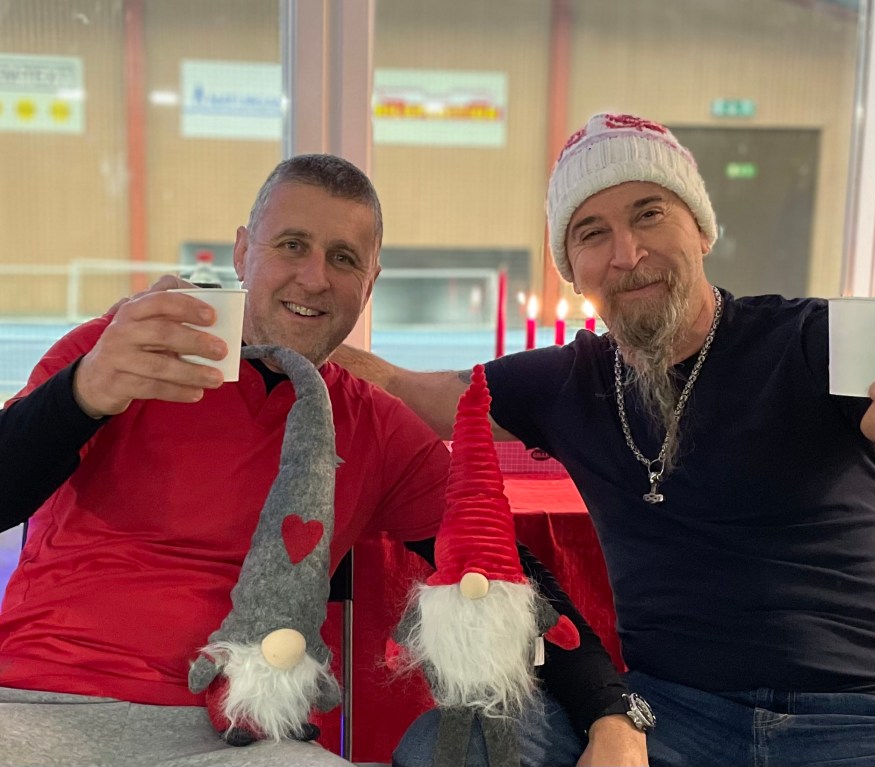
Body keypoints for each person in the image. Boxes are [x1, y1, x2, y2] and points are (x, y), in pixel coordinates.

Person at [332, 113, 875, 767]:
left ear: (701, 230)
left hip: (870, 722)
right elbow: (400, 390)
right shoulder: (566, 382)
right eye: (592, 232)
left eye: (649, 215)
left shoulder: (814, 341)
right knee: (452, 744)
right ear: (573, 269)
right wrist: (285, 339)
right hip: (671, 717)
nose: (628, 254)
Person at [0, 155, 629, 767]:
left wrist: (609, 712)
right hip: (34, 702)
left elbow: (503, 574)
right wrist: (82, 393)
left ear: (370, 284)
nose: (314, 277)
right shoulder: (122, 351)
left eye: (344, 258)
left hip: (245, 737)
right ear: (243, 251)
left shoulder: (377, 427)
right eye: (292, 245)